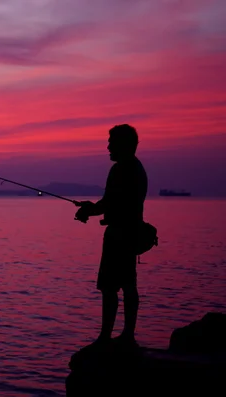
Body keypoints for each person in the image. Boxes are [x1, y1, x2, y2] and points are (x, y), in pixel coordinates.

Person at [74, 124, 148, 348]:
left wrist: (89, 209)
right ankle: (127, 336)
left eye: (112, 142)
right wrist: (92, 208)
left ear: (124, 144)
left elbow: (110, 203)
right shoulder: (136, 168)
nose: (108, 146)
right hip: (131, 231)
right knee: (128, 284)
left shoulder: (121, 169)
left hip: (119, 234)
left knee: (109, 287)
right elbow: (113, 202)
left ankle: (106, 337)